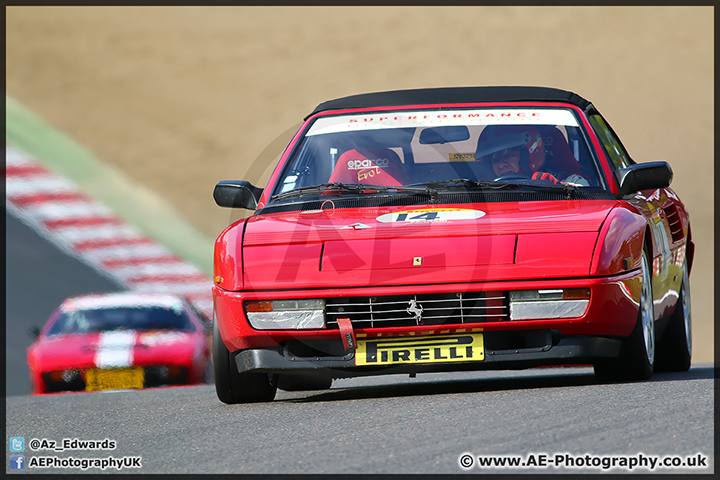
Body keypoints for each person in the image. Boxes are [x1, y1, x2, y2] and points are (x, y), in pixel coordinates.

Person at [475, 126, 589, 186]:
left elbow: (588, 199)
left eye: (508, 155)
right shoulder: (483, 188)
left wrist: (555, 188)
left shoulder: (568, 180)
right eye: (495, 160)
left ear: (531, 153)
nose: (500, 165)